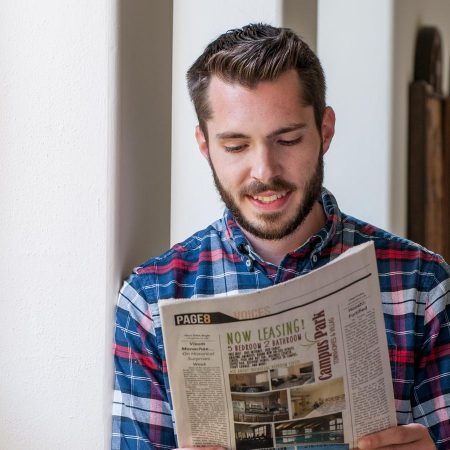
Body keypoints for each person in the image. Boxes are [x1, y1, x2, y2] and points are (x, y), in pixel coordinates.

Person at [112, 23, 449, 450]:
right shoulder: (149, 300)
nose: (264, 171)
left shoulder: (422, 285)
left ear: (325, 131)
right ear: (205, 145)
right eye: (235, 146)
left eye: (287, 139)